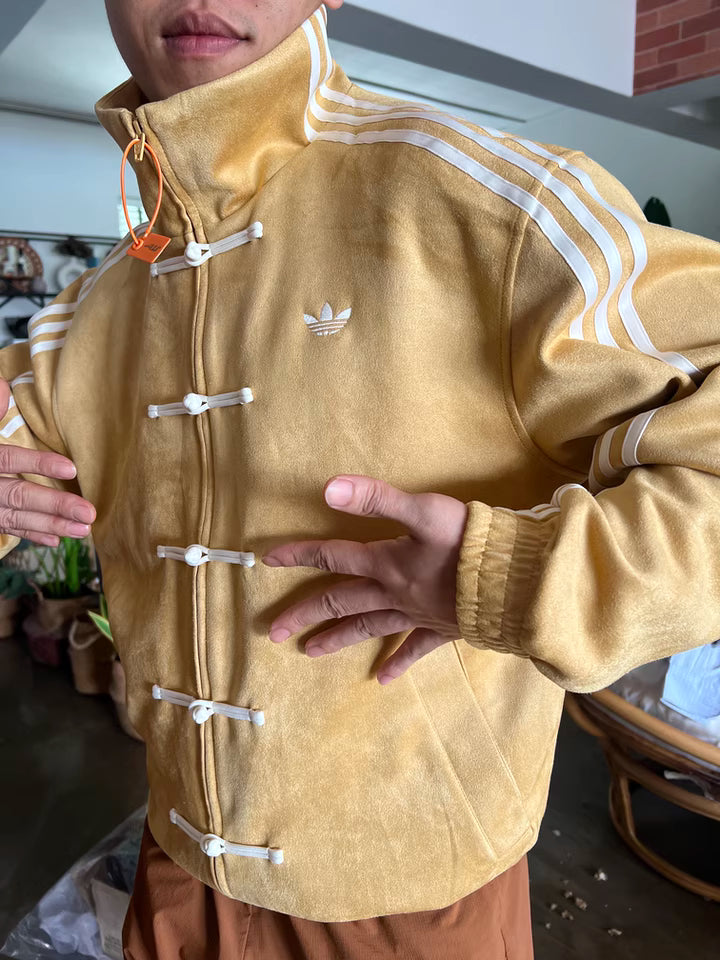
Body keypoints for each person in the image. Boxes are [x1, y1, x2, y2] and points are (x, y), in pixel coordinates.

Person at [2, 1, 720, 957]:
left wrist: (516, 576)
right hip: (179, 869)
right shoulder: (90, 312)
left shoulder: (492, 204)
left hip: (417, 896)